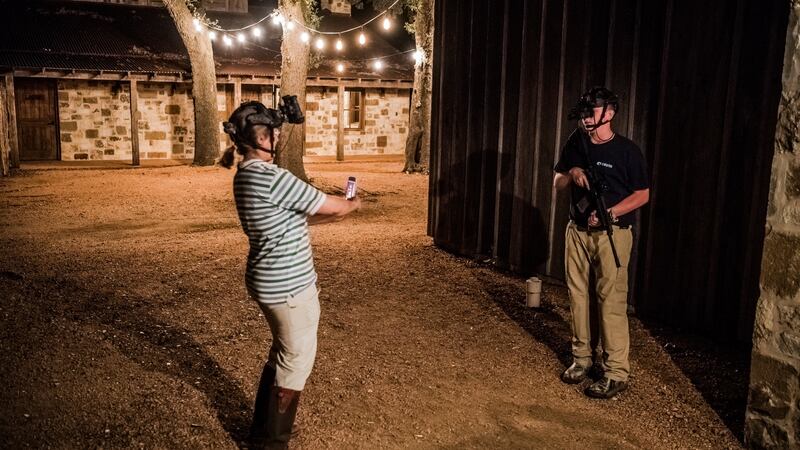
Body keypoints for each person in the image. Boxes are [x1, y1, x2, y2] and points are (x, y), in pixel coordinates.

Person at [219, 101, 361, 448]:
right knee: (295, 359)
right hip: (288, 288)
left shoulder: (246, 176)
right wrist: (351, 203)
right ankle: (270, 441)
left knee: (282, 354)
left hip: (267, 280)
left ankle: (264, 428)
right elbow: (332, 205)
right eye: (274, 132)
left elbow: (292, 218)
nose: (280, 135)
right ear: (261, 138)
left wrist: (335, 212)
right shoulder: (273, 178)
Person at [552, 87, 649, 399]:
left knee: (611, 301)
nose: (586, 117)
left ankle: (616, 370)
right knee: (578, 296)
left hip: (613, 234)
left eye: (591, 111)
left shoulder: (627, 152)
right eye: (584, 112)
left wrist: (610, 212)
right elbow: (558, 182)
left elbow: (642, 195)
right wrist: (574, 171)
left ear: (610, 113)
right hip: (577, 231)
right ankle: (582, 358)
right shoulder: (575, 143)